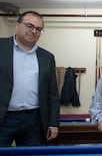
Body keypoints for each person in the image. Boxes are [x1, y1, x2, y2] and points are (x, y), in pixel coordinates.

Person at [0, 10, 60, 146]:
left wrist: (53, 124)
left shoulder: (47, 57)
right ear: (17, 25)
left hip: (34, 120)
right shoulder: (1, 47)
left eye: (39, 29)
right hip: (4, 117)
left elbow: (53, 95)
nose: (34, 31)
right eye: (29, 26)